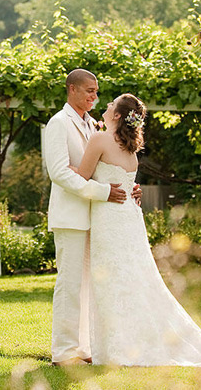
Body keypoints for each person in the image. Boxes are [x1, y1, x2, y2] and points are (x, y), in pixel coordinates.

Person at [72, 93, 201, 367]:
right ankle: (125, 342)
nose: (105, 106)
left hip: (110, 219)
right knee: (133, 279)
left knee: (112, 280)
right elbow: (125, 180)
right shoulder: (128, 148)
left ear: (118, 115)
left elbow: (81, 177)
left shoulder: (100, 139)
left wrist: (62, 167)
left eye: (110, 105)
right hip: (129, 220)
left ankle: (118, 347)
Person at [44, 69, 141, 366]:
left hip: (99, 220)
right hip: (72, 217)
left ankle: (84, 348)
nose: (94, 97)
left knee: (89, 286)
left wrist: (128, 187)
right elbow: (59, 173)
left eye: (97, 92)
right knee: (70, 284)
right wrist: (103, 192)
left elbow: (104, 165)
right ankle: (63, 351)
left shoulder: (93, 126)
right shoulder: (58, 123)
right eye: (88, 91)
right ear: (71, 89)